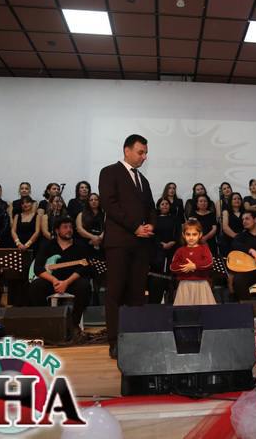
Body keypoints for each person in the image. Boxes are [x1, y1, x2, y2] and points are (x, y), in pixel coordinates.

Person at [99, 134, 156, 359]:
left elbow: (151, 208)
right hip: (119, 243)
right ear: (127, 150)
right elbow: (109, 204)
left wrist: (151, 224)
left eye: (146, 153)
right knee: (115, 292)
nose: (144, 156)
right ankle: (115, 341)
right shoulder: (109, 172)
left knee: (137, 293)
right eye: (141, 152)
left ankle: (135, 338)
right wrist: (135, 227)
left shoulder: (143, 180)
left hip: (141, 245)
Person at [28, 217, 91, 334]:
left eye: (70, 227)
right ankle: (47, 322)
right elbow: (38, 268)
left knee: (85, 286)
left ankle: (74, 324)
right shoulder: (47, 245)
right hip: (52, 281)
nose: (69, 230)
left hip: (72, 281)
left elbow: (84, 268)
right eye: (65, 227)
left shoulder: (80, 245)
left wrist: (66, 282)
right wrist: (54, 281)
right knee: (35, 286)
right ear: (57, 230)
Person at [170, 220, 216, 306]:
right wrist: (186, 267)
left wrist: (195, 266)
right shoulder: (180, 250)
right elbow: (173, 266)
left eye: (194, 234)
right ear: (183, 235)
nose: (191, 237)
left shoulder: (204, 248)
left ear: (200, 235)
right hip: (184, 285)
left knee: (204, 311)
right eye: (188, 234)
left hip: (201, 285)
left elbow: (209, 262)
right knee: (184, 311)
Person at [220, 192, 244, 300]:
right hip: (229, 241)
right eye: (234, 199)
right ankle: (231, 290)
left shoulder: (245, 212)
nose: (237, 200)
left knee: (242, 265)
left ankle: (241, 289)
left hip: (243, 242)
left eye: (239, 198)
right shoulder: (226, 211)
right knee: (231, 267)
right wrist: (236, 236)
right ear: (230, 201)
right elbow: (225, 227)